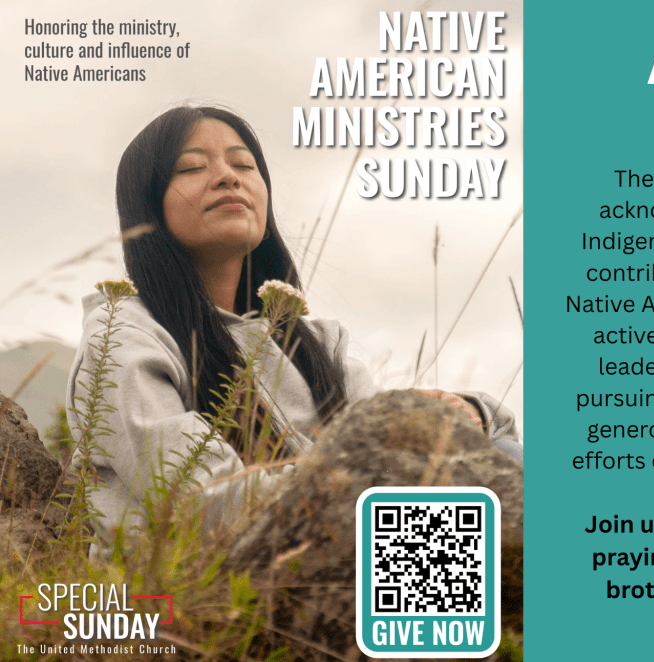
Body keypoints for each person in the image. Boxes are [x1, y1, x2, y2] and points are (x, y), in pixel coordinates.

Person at [66, 106, 519, 556]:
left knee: (507, 460)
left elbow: (398, 447)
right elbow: (202, 503)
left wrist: (465, 414)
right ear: (148, 205)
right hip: (217, 587)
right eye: (191, 167)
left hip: (344, 546)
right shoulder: (123, 337)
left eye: (244, 165)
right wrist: (367, 475)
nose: (228, 177)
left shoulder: (318, 343)